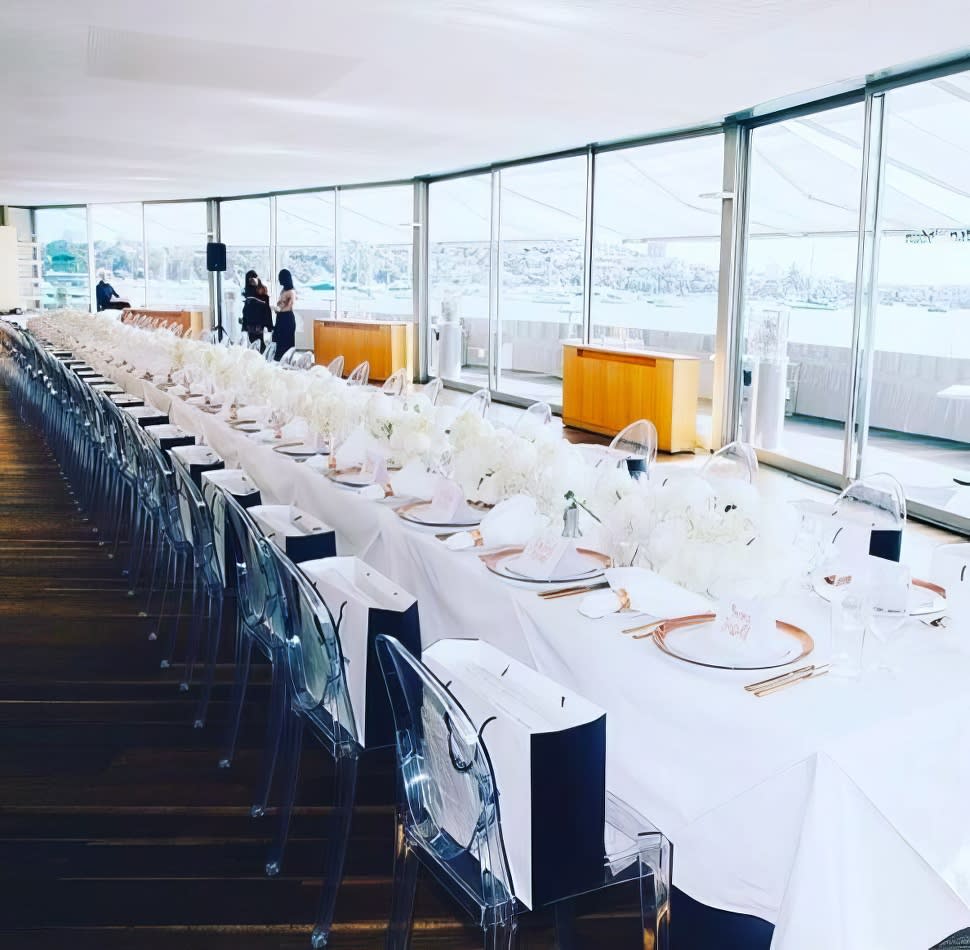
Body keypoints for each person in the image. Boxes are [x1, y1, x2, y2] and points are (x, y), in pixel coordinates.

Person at [240, 270, 273, 349]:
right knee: (257, 342)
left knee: (256, 343)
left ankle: (259, 358)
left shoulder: (252, 290)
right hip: (256, 322)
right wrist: (269, 325)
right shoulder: (259, 289)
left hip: (254, 322)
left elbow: (266, 307)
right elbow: (267, 309)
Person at [272, 269, 297, 361]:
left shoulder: (291, 291)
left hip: (287, 319)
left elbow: (289, 306)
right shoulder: (283, 290)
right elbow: (281, 303)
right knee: (278, 341)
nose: (279, 280)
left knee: (286, 342)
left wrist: (279, 309)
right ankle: (277, 361)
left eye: (280, 278)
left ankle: (284, 363)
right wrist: (277, 308)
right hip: (281, 318)